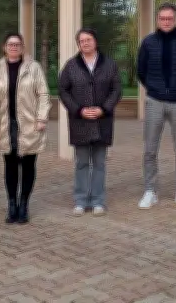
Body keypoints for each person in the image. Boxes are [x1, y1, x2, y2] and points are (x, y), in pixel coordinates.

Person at [137, 3, 176, 210]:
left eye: (170, 18)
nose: (166, 21)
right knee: (150, 149)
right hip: (154, 101)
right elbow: (141, 71)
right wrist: (156, 89)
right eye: (162, 18)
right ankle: (150, 191)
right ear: (157, 20)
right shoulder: (148, 43)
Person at [0, 33, 51, 224]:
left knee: (29, 165)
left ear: (23, 48)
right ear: (4, 47)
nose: (14, 47)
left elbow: (43, 94)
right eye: (10, 44)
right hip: (7, 125)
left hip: (30, 124)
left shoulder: (34, 68)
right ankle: (12, 204)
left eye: (17, 44)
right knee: (10, 166)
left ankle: (24, 204)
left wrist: (41, 118)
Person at [58, 28, 123, 216]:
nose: (85, 43)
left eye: (89, 39)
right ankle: (80, 200)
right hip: (80, 122)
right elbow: (63, 91)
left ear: (95, 41)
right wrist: (79, 110)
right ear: (78, 44)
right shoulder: (71, 66)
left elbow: (116, 89)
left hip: (102, 121)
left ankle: (98, 201)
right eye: (82, 40)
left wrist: (104, 108)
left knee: (100, 163)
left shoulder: (109, 64)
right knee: (82, 163)